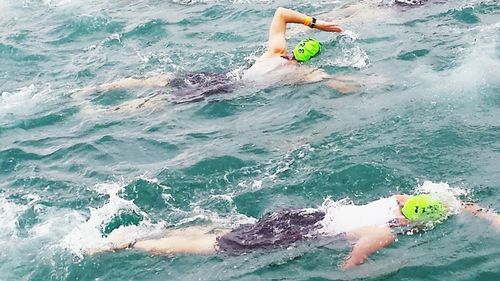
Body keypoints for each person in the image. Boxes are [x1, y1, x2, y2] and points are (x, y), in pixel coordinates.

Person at [91, 193, 500, 270]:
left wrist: (488, 215)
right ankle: (131, 243)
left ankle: (158, 230)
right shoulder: (385, 232)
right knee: (210, 249)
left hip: (303, 215)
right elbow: (349, 266)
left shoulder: (397, 201)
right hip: (300, 235)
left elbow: (452, 201)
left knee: (230, 230)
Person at [72, 7, 359, 110]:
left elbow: (281, 12)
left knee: (160, 80)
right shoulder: (304, 75)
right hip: (229, 89)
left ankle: (96, 90)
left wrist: (315, 23)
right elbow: (335, 83)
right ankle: (106, 113)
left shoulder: (274, 51)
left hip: (224, 77)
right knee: (165, 102)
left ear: (293, 50)